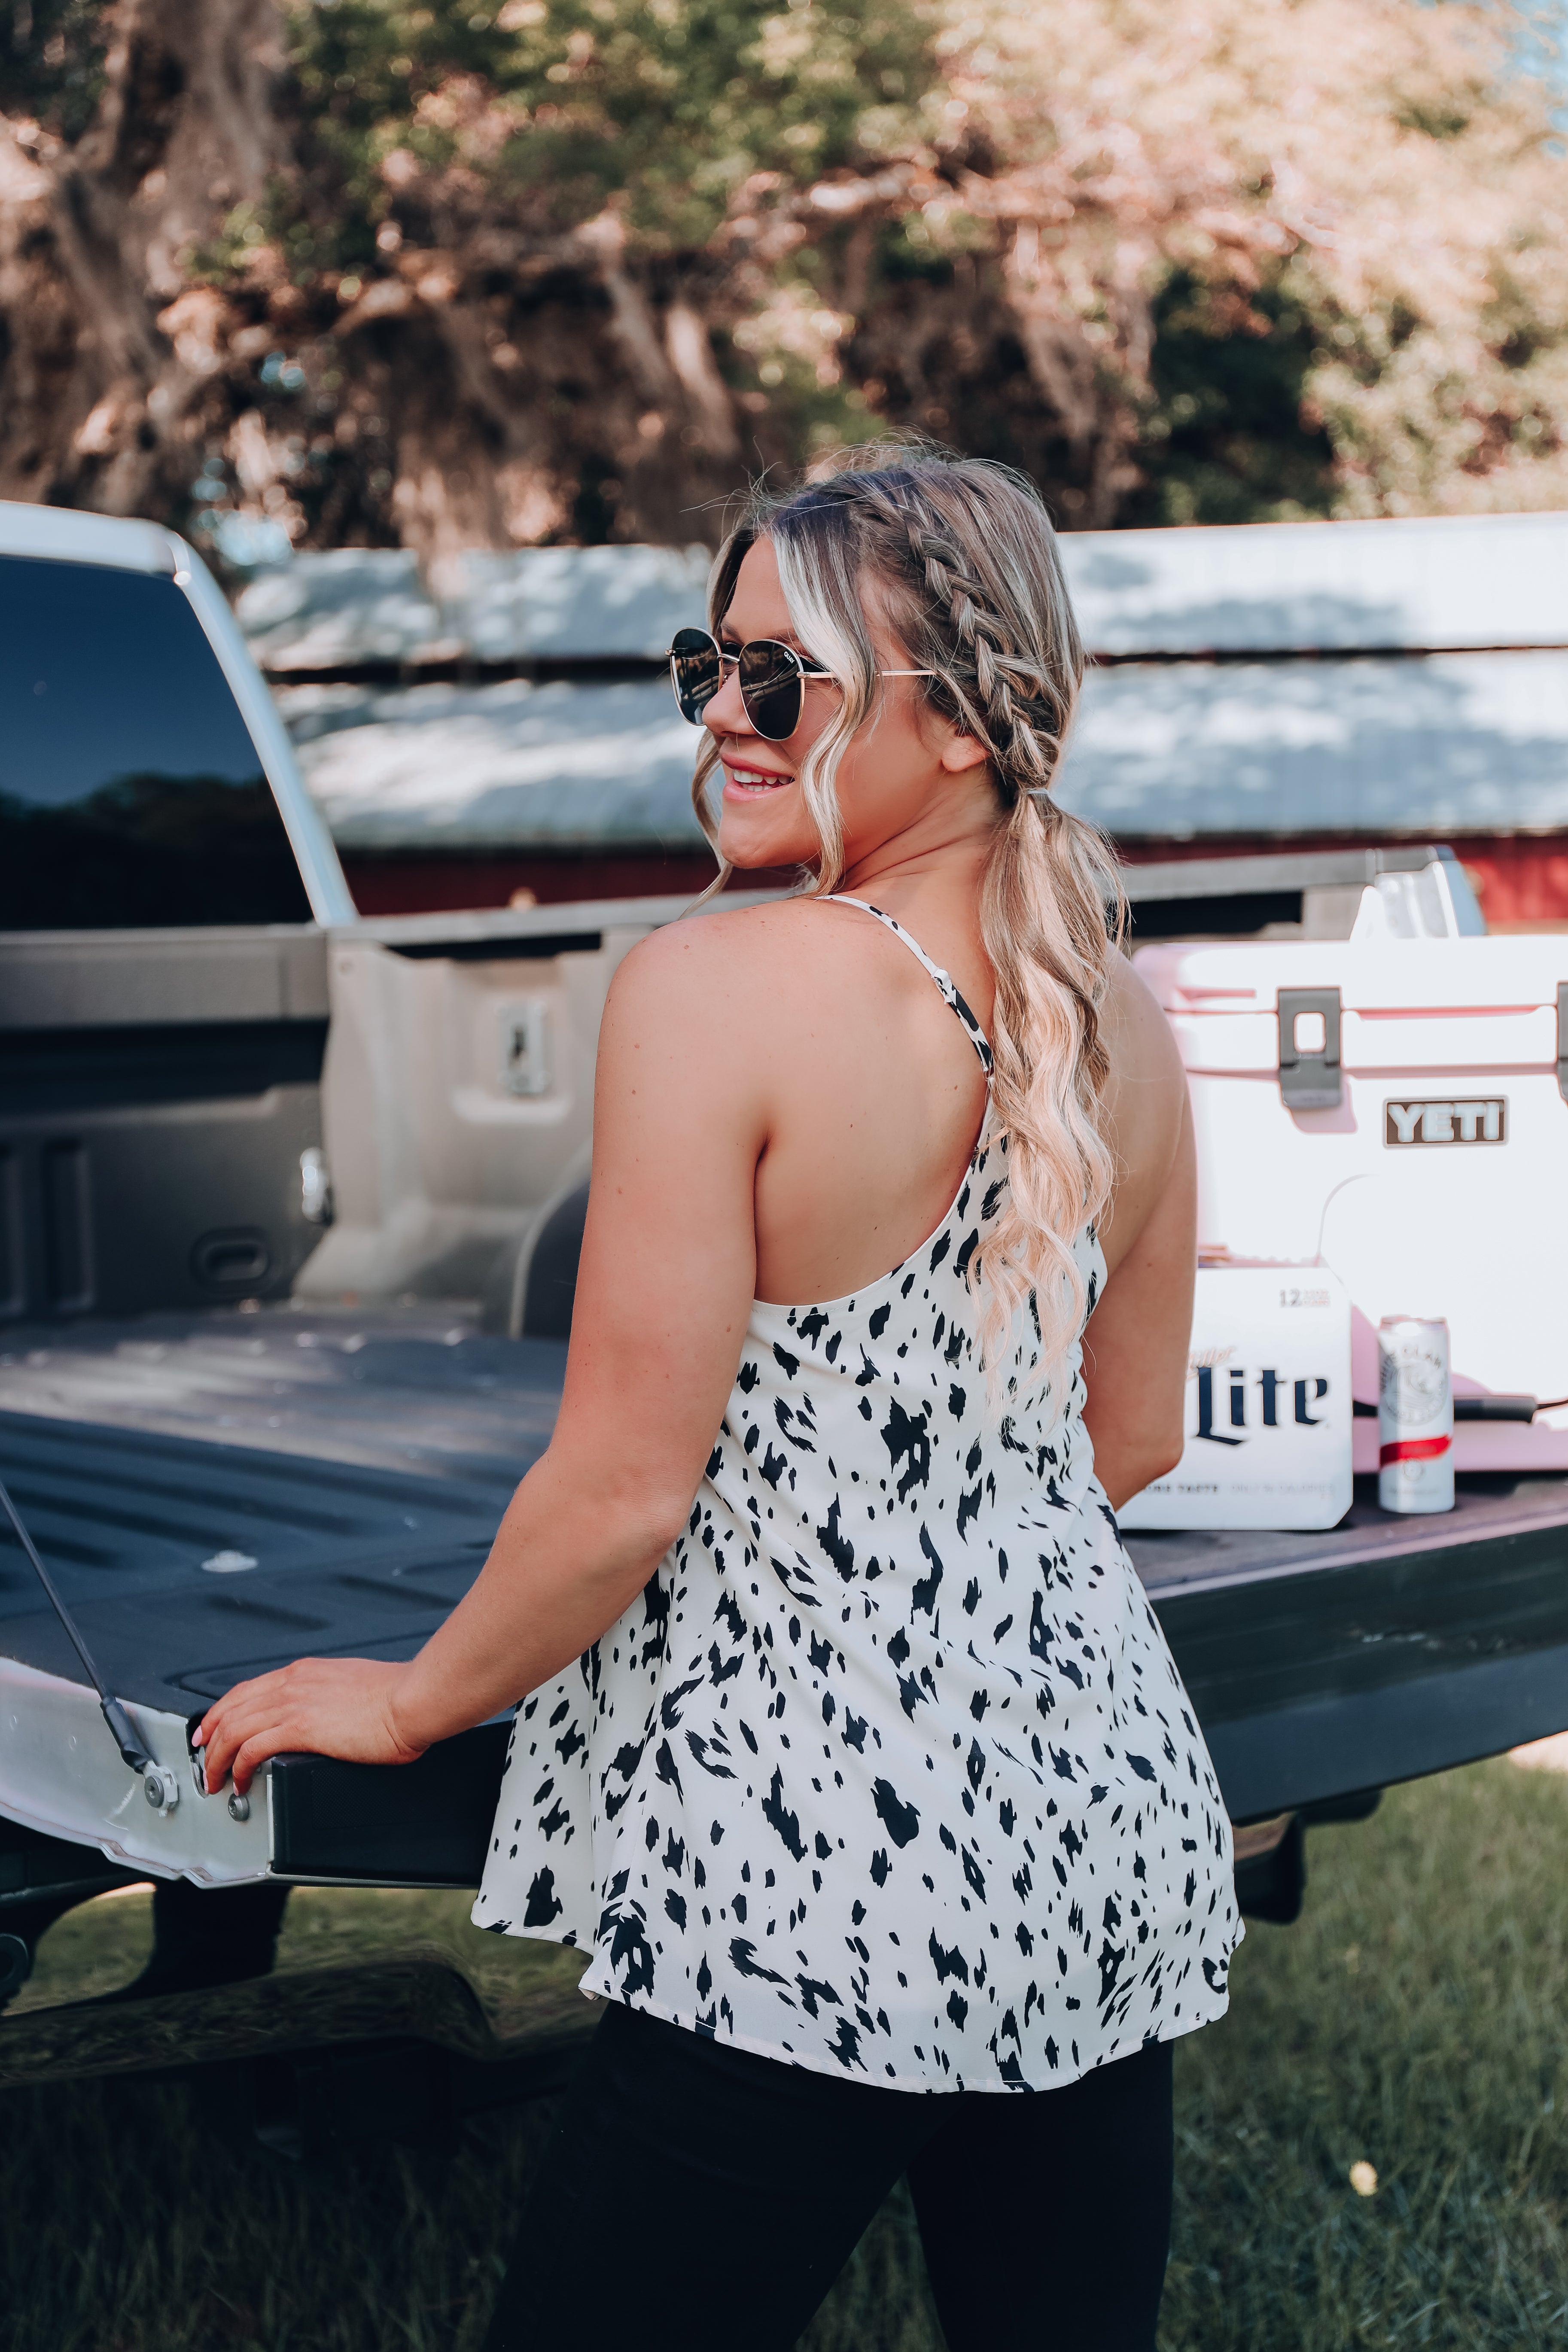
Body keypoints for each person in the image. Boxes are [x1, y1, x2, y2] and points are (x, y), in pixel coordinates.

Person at [197, 447, 1240, 2350]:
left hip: (812, 1856)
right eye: (711, 663)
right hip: (1100, 1810)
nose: (723, 716)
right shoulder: (1121, 1020)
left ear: (960, 716)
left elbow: (620, 1487)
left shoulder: (718, 987)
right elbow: (1136, 1436)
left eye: (784, 678)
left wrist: (415, 1699)